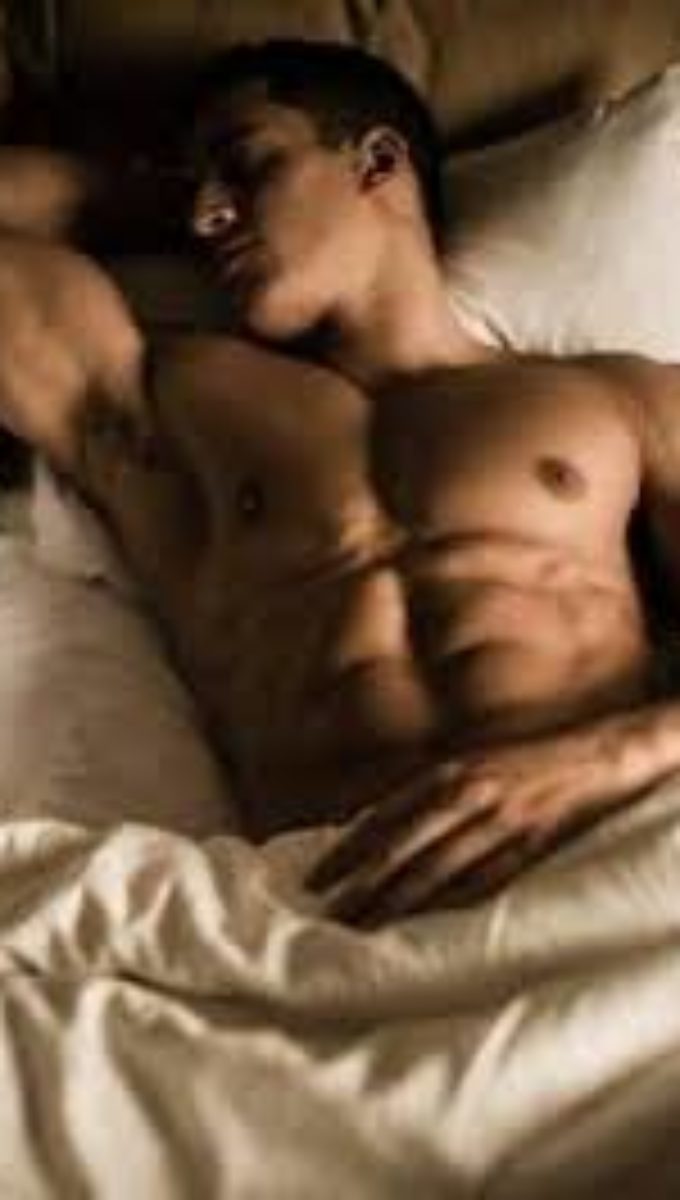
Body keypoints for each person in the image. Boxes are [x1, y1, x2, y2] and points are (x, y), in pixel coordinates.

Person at [2, 39, 680, 927]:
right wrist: (160, 195)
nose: (207, 216)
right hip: (337, 905)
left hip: (608, 850)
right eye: (194, 192)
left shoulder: (619, 400)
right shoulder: (176, 406)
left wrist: (600, 764)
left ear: (379, 162)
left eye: (246, 163)